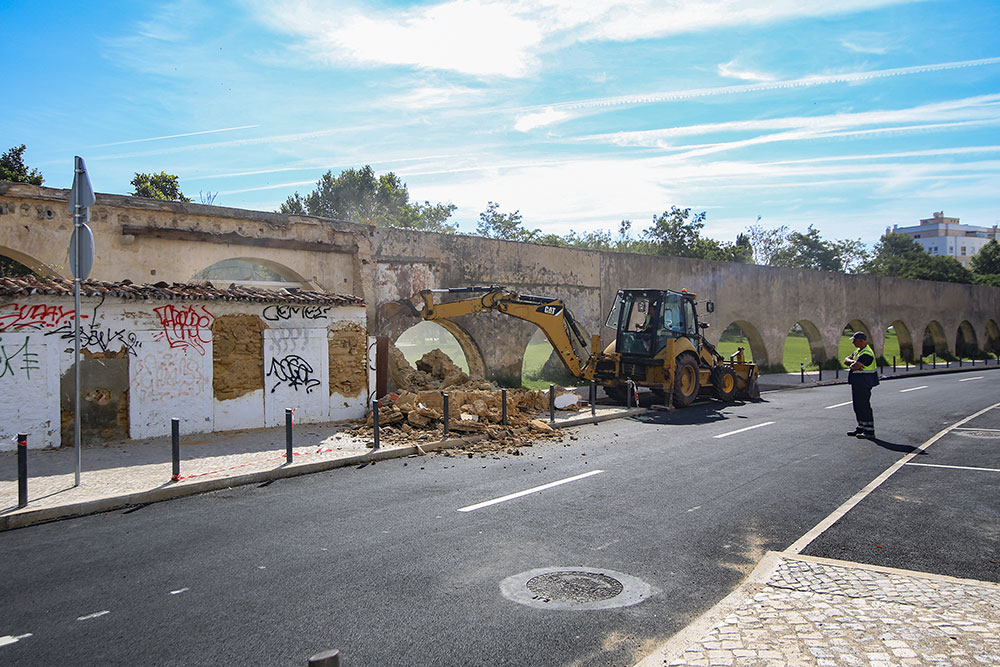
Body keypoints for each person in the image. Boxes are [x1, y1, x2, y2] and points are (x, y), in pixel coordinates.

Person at [843, 331, 878, 439]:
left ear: (861, 341)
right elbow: (846, 360)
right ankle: (861, 427)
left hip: (864, 382)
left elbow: (855, 366)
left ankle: (869, 431)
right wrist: (852, 362)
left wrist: (853, 363)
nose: (853, 342)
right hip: (857, 382)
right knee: (857, 406)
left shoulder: (866, 353)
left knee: (864, 406)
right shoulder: (858, 351)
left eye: (855, 340)